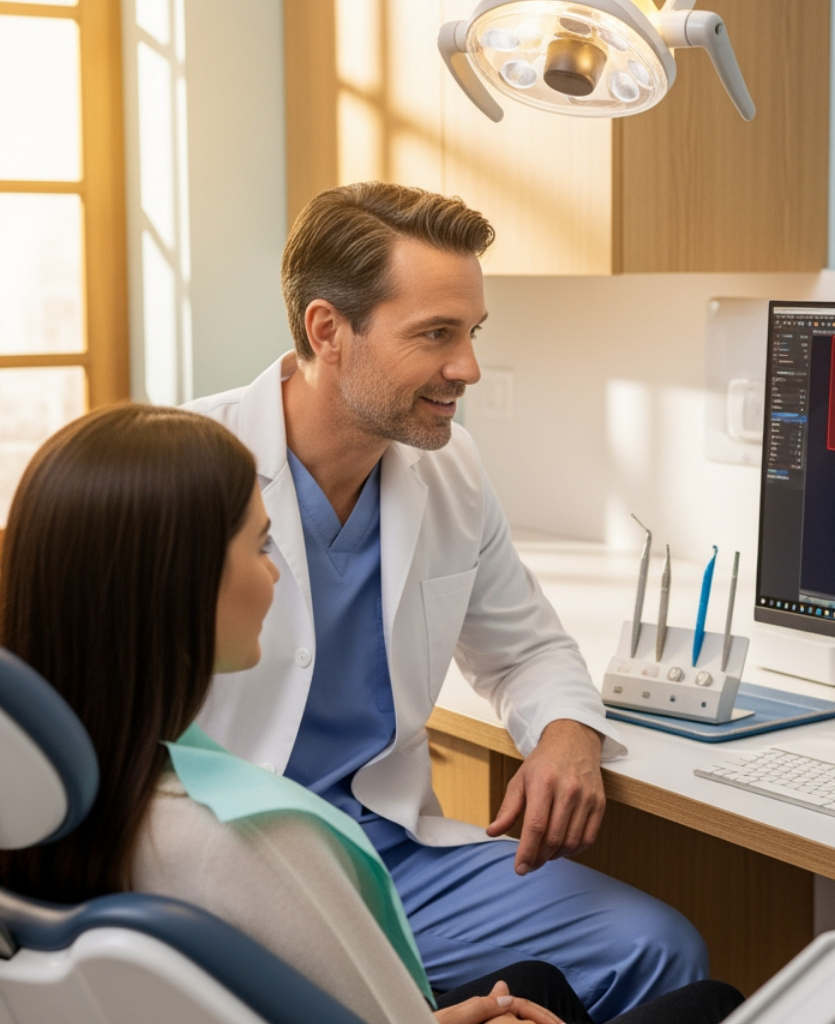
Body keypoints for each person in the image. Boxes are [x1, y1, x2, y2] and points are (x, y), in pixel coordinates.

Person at [0, 403, 743, 1024]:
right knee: (714, 1004)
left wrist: (566, 731)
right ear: (177, 587)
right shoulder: (255, 841)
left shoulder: (11, 812)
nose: (277, 573)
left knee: (537, 981)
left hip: (377, 852)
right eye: (260, 546)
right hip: (305, 868)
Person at [184, 182, 705, 1020]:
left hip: (392, 856)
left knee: (655, 946)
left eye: (471, 333)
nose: (467, 367)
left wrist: (566, 735)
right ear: (328, 330)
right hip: (236, 873)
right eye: (436, 334)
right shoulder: (188, 472)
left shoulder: (449, 466)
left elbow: (527, 647)